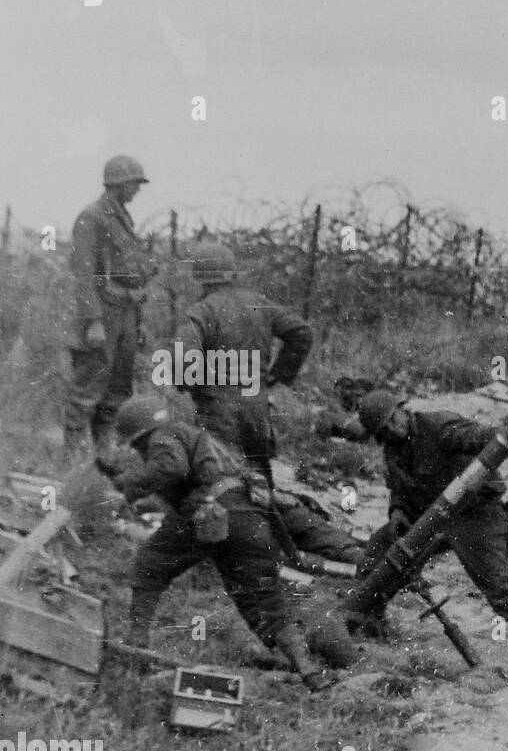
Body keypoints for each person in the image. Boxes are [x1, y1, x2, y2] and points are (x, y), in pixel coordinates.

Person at [97, 397, 335, 691]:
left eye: (136, 445)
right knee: (262, 602)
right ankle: (310, 672)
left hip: (207, 511)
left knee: (150, 563)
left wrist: (128, 489)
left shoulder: (164, 436)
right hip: (247, 516)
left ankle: (136, 642)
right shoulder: (192, 436)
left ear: (141, 433)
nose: (138, 451)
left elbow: (171, 467)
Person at [175, 242, 361, 565]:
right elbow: (302, 332)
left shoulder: (200, 312)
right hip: (257, 410)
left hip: (219, 412)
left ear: (201, 278)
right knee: (262, 486)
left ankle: (243, 552)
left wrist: (195, 385)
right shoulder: (259, 304)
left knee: (220, 486)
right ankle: (307, 546)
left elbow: (182, 366)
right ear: (231, 273)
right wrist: (278, 375)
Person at [354, 390, 508, 659]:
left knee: (498, 586)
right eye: (386, 428)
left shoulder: (439, 426)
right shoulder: (393, 451)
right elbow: (399, 490)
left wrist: (503, 434)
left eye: (394, 419)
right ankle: (368, 620)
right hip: (433, 518)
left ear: (403, 409)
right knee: (379, 550)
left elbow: (475, 437)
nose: (394, 428)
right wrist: (396, 512)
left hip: (478, 514)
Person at [66, 155, 156, 456]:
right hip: (102, 314)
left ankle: (103, 458)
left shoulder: (123, 219)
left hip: (126, 313)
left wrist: (138, 321)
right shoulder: (92, 217)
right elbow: (83, 271)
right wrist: (92, 321)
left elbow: (132, 277)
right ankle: (72, 462)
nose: (137, 190)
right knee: (88, 389)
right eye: (134, 183)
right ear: (118, 183)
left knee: (118, 391)